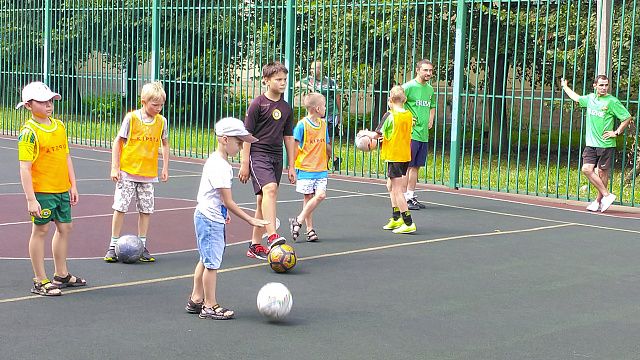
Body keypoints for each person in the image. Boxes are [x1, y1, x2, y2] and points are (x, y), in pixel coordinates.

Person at [185, 117, 268, 320]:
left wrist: (224, 212)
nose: (241, 146)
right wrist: (251, 220)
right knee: (212, 264)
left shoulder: (215, 160)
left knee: (205, 260)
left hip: (208, 214)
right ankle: (209, 306)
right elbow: (228, 200)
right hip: (209, 219)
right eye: (238, 142)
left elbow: (217, 197)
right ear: (224, 140)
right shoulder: (221, 166)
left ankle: (196, 299)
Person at [16, 81, 86, 296]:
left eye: (50, 101)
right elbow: (25, 168)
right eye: (43, 102)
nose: (48, 105)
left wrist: (72, 185)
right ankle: (39, 280)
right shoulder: (29, 132)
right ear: (29, 105)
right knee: (41, 230)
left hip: (61, 189)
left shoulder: (59, 126)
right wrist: (31, 199)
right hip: (43, 191)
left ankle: (61, 274)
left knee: (65, 228)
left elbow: (65, 157)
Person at [103, 81, 170, 263]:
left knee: (146, 209)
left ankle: (142, 245)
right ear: (143, 102)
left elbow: (164, 143)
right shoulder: (131, 118)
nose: (158, 108)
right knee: (120, 207)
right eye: (154, 105)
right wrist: (114, 167)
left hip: (147, 174)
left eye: (161, 105)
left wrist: (164, 167)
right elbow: (118, 141)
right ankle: (112, 245)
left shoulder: (161, 121)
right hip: (127, 172)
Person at [239, 61, 296, 260]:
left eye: (285, 80)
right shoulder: (258, 104)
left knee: (263, 199)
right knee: (270, 189)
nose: (283, 83)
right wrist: (245, 163)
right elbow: (247, 135)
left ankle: (255, 245)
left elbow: (288, 138)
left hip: (276, 156)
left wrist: (292, 166)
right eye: (278, 79)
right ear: (266, 80)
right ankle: (272, 236)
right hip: (258, 154)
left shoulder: (287, 108)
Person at [561, 75, 632, 212]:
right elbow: (576, 97)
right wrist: (565, 87)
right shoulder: (590, 99)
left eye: (606, 85)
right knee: (586, 169)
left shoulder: (612, 101)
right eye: (601, 85)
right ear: (595, 86)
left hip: (606, 144)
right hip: (591, 143)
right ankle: (607, 195)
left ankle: (598, 201)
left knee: (602, 172)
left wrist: (616, 132)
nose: (604, 88)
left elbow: (627, 117)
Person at [369, 86, 416, 234]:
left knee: (397, 190)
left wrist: (364, 134)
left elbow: (377, 134)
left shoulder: (389, 115)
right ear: (405, 99)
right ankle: (396, 218)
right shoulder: (409, 115)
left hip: (394, 155)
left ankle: (408, 222)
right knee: (390, 186)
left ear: (390, 100)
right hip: (405, 155)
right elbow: (397, 132)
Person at [288, 92, 331, 242]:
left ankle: (298, 220)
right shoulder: (302, 125)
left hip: (320, 169)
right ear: (318, 108)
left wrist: (331, 156)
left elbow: (326, 144)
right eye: (324, 105)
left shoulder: (323, 124)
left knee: (320, 195)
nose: (326, 108)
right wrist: (291, 167)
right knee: (308, 198)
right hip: (306, 168)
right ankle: (309, 229)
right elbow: (294, 146)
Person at [401, 59, 436, 210]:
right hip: (411, 133)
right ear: (417, 70)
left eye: (430, 71)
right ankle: (401, 197)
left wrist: (431, 120)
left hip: (423, 133)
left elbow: (432, 106)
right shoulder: (408, 87)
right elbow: (396, 103)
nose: (428, 73)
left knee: (416, 166)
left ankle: (410, 195)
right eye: (425, 70)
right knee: (407, 166)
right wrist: (406, 118)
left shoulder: (430, 90)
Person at [298, 60, 343, 170]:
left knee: (328, 140)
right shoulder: (309, 80)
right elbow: (297, 83)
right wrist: (309, 87)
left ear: (321, 69)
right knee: (319, 139)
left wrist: (340, 114)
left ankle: (326, 164)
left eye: (316, 68)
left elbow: (337, 97)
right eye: (312, 68)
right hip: (316, 115)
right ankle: (335, 158)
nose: (313, 71)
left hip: (331, 113)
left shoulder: (330, 82)